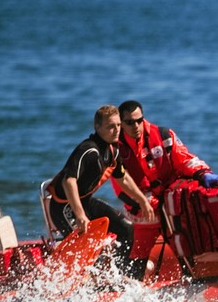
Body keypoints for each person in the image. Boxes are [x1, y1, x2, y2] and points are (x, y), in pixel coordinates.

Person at [115, 100, 218, 279]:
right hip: (144, 211)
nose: (136, 126)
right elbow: (121, 188)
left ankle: (195, 281)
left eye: (139, 120)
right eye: (129, 122)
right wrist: (151, 204)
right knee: (138, 255)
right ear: (121, 123)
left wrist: (203, 173)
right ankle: (130, 290)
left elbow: (183, 158)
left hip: (171, 205)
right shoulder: (116, 150)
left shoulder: (163, 135)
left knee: (184, 243)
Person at [47, 105, 155, 276]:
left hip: (85, 202)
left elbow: (122, 177)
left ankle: (120, 277)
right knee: (89, 243)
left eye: (119, 125)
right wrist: (80, 215)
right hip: (65, 208)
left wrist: (142, 200)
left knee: (126, 228)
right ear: (97, 127)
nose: (116, 130)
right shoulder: (89, 150)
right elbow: (69, 181)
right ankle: (92, 285)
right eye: (111, 126)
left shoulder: (113, 149)